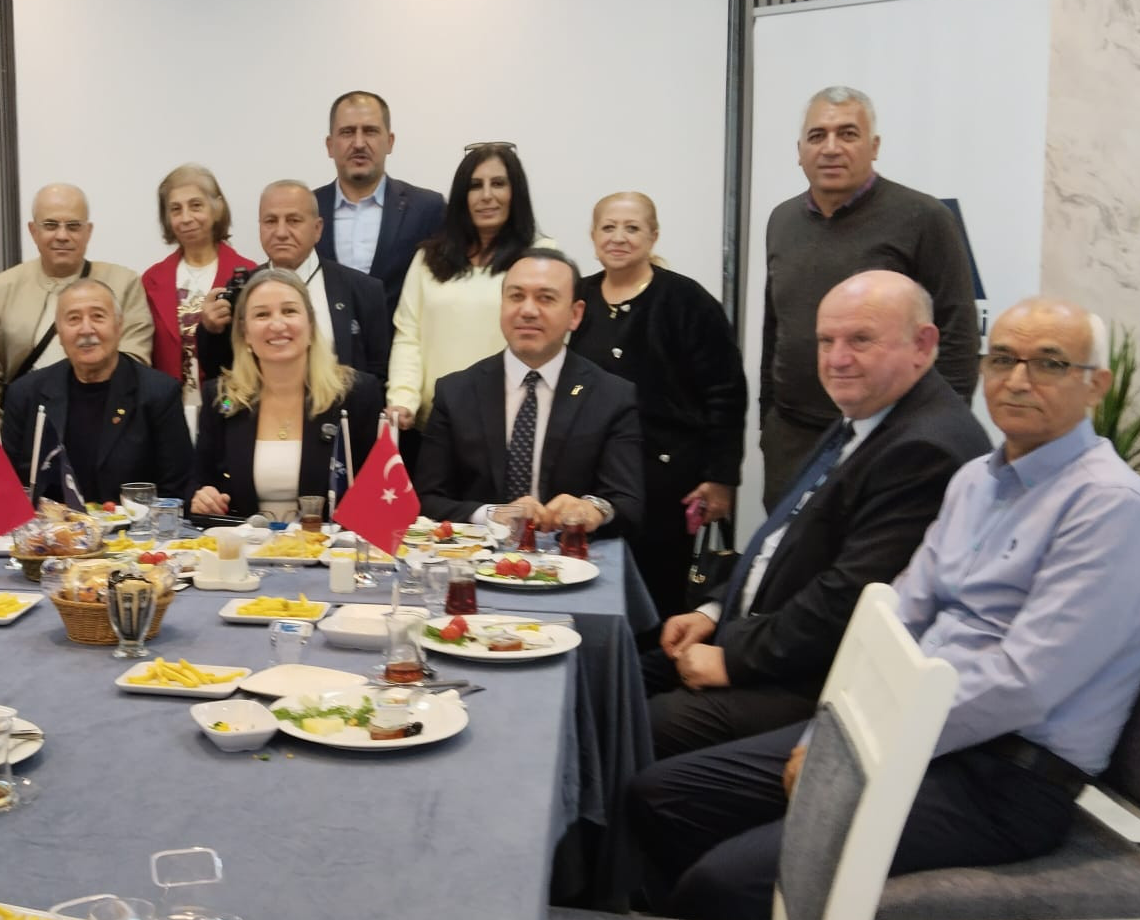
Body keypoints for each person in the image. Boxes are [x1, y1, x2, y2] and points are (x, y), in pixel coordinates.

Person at [632, 297, 1140, 920]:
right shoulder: (976, 481)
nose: (1018, 380)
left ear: (1096, 385)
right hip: (905, 735)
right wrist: (830, 734)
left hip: (1002, 776)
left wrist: (866, 746)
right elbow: (896, 620)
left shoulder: (1106, 506)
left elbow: (1023, 683)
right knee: (658, 799)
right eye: (1002, 358)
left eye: (1049, 363)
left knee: (724, 883)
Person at [646, 270, 987, 759]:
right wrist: (712, 611)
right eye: (826, 341)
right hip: (764, 637)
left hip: (819, 679)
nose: (837, 359)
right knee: (610, 672)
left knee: (642, 726)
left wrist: (732, 659)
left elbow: (847, 601)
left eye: (860, 340)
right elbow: (780, 543)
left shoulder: (925, 448)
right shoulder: (868, 413)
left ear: (923, 344)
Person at [761, 85, 978, 510]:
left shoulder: (924, 218)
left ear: (874, 146)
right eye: (817, 136)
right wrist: (769, 420)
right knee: (785, 550)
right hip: (794, 438)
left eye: (848, 134)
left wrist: (936, 431)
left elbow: (956, 332)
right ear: (800, 151)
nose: (831, 148)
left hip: (888, 435)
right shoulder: (782, 219)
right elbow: (776, 325)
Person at [573, 192, 747, 619]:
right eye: (608, 227)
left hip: (669, 481)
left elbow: (725, 391)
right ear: (593, 236)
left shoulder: (686, 300)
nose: (619, 237)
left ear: (653, 236)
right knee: (587, 590)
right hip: (589, 480)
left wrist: (721, 478)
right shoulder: (577, 298)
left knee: (660, 599)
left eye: (632, 228)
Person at [414, 249, 644, 534]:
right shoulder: (456, 392)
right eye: (516, 296)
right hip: (480, 552)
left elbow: (627, 502)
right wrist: (492, 514)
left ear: (575, 315)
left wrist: (594, 509)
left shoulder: (610, 395)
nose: (528, 310)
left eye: (545, 298)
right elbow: (427, 499)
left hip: (572, 552)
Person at [385, 143, 554, 446]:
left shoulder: (541, 257)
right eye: (475, 186)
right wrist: (402, 398)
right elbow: (409, 336)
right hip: (434, 426)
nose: (486, 195)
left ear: (516, 192)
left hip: (512, 426)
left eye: (498, 183)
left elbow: (552, 340)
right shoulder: (428, 258)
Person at [191, 268, 385, 520]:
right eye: (262, 314)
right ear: (245, 333)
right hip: (243, 542)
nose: (277, 325)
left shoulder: (355, 394)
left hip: (331, 543)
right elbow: (197, 483)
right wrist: (203, 498)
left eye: (289, 311)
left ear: (311, 325)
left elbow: (379, 493)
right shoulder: (223, 399)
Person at [1, 279, 192, 505]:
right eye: (73, 319)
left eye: (98, 316)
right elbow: (9, 488)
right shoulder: (25, 394)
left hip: (135, 526)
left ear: (119, 326)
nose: (86, 329)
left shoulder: (159, 393)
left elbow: (175, 492)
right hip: (51, 526)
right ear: (59, 333)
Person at [0, 183, 154, 409]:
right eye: (50, 225)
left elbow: (135, 363)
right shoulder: (2, 289)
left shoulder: (124, 284)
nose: (62, 236)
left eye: (73, 226)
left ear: (88, 232)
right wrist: (1, 425)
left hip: (107, 413)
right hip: (26, 417)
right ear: (33, 231)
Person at [196, 180, 390, 382]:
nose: (281, 233)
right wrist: (211, 330)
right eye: (271, 221)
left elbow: (379, 376)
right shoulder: (242, 290)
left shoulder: (363, 290)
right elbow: (219, 373)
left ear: (317, 229)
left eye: (293, 221)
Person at [314, 91, 446, 312]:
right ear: (330, 145)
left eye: (370, 131)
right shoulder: (307, 209)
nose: (359, 143)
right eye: (347, 132)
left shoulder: (427, 208)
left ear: (390, 142)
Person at [138, 164, 256, 408]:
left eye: (196, 205)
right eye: (175, 209)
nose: (186, 218)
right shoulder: (151, 280)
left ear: (217, 208)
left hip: (229, 404)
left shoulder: (249, 274)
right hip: (168, 410)